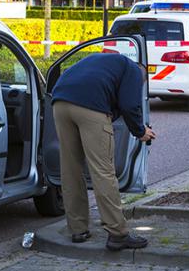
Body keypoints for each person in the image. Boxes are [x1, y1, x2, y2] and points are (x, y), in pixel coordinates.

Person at [51, 52, 156, 250]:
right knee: (103, 171)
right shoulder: (135, 71)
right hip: (90, 106)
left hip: (60, 102)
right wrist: (140, 131)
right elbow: (129, 104)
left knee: (70, 169)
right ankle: (117, 233)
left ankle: (77, 229)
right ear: (143, 75)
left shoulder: (103, 62)